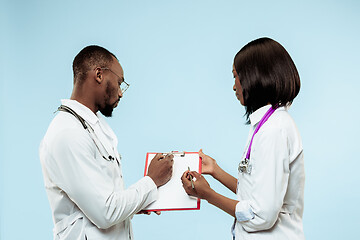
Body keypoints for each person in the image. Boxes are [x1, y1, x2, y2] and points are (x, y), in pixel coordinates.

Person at [39, 45, 174, 240]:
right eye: (119, 82)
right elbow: (105, 213)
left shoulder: (91, 126)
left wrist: (137, 203)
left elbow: (99, 201)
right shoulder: (68, 133)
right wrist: (152, 181)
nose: (120, 92)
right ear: (99, 75)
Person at [181, 37, 305, 239]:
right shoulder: (267, 124)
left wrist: (208, 195)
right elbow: (256, 193)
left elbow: (261, 215)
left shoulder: (274, 130)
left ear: (254, 77)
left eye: (235, 77)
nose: (233, 87)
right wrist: (215, 170)